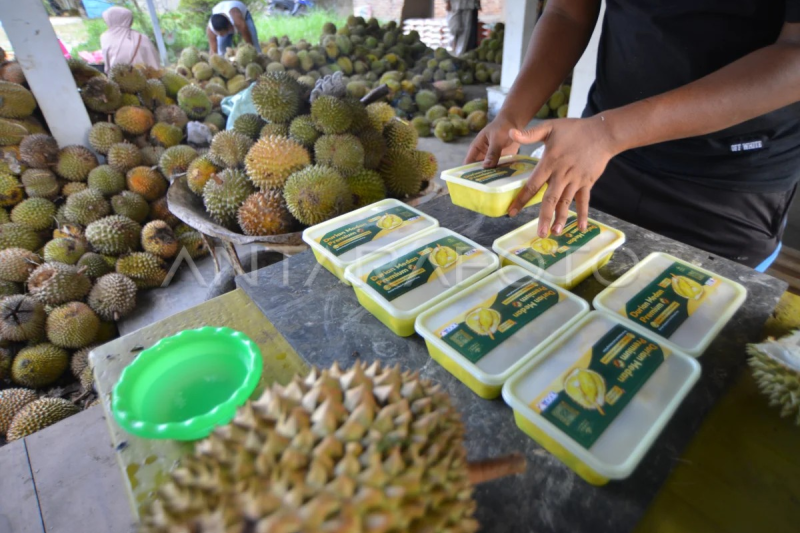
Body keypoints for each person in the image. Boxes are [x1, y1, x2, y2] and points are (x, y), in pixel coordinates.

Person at [467, 0, 800, 271]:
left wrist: (609, 131)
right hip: (602, 158)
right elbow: (567, 12)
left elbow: (795, 54)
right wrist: (512, 116)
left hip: (724, 182)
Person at [100, 6, 160, 72]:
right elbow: (154, 63)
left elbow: (108, 65)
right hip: (145, 78)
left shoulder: (105, 37)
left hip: (117, 79)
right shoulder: (142, 38)